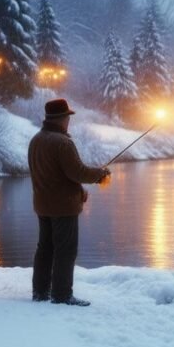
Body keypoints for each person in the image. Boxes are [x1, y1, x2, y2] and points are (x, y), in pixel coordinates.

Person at [28, 98, 110, 306]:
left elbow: (53, 175)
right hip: (63, 208)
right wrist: (100, 174)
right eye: (67, 117)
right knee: (65, 250)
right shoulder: (63, 143)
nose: (69, 121)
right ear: (62, 119)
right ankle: (62, 295)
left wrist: (79, 190)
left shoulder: (36, 140)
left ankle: (40, 292)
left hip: (43, 205)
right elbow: (77, 172)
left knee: (45, 248)